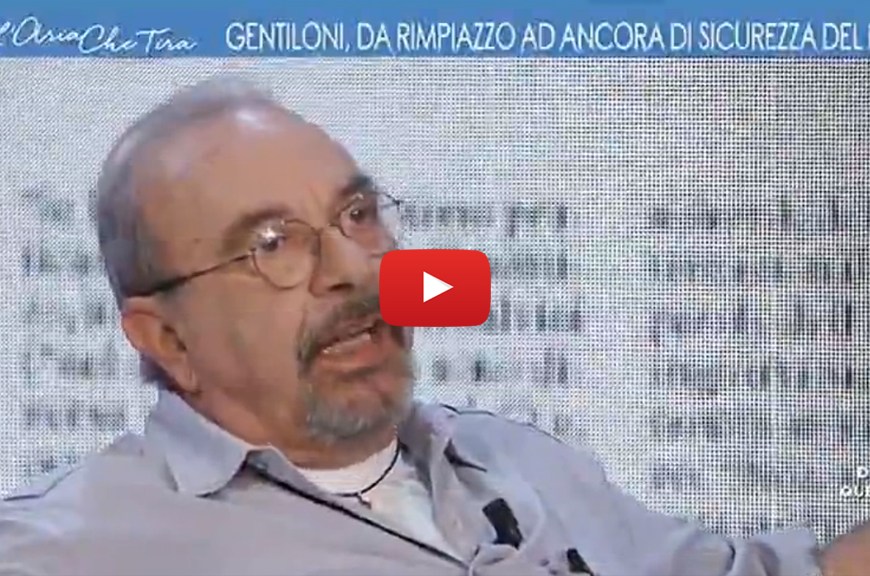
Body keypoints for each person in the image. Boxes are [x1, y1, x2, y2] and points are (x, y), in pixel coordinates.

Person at [0, 76, 861, 576]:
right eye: (272, 245)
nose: (353, 268)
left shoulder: (519, 460)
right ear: (167, 340)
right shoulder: (64, 549)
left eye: (358, 214)